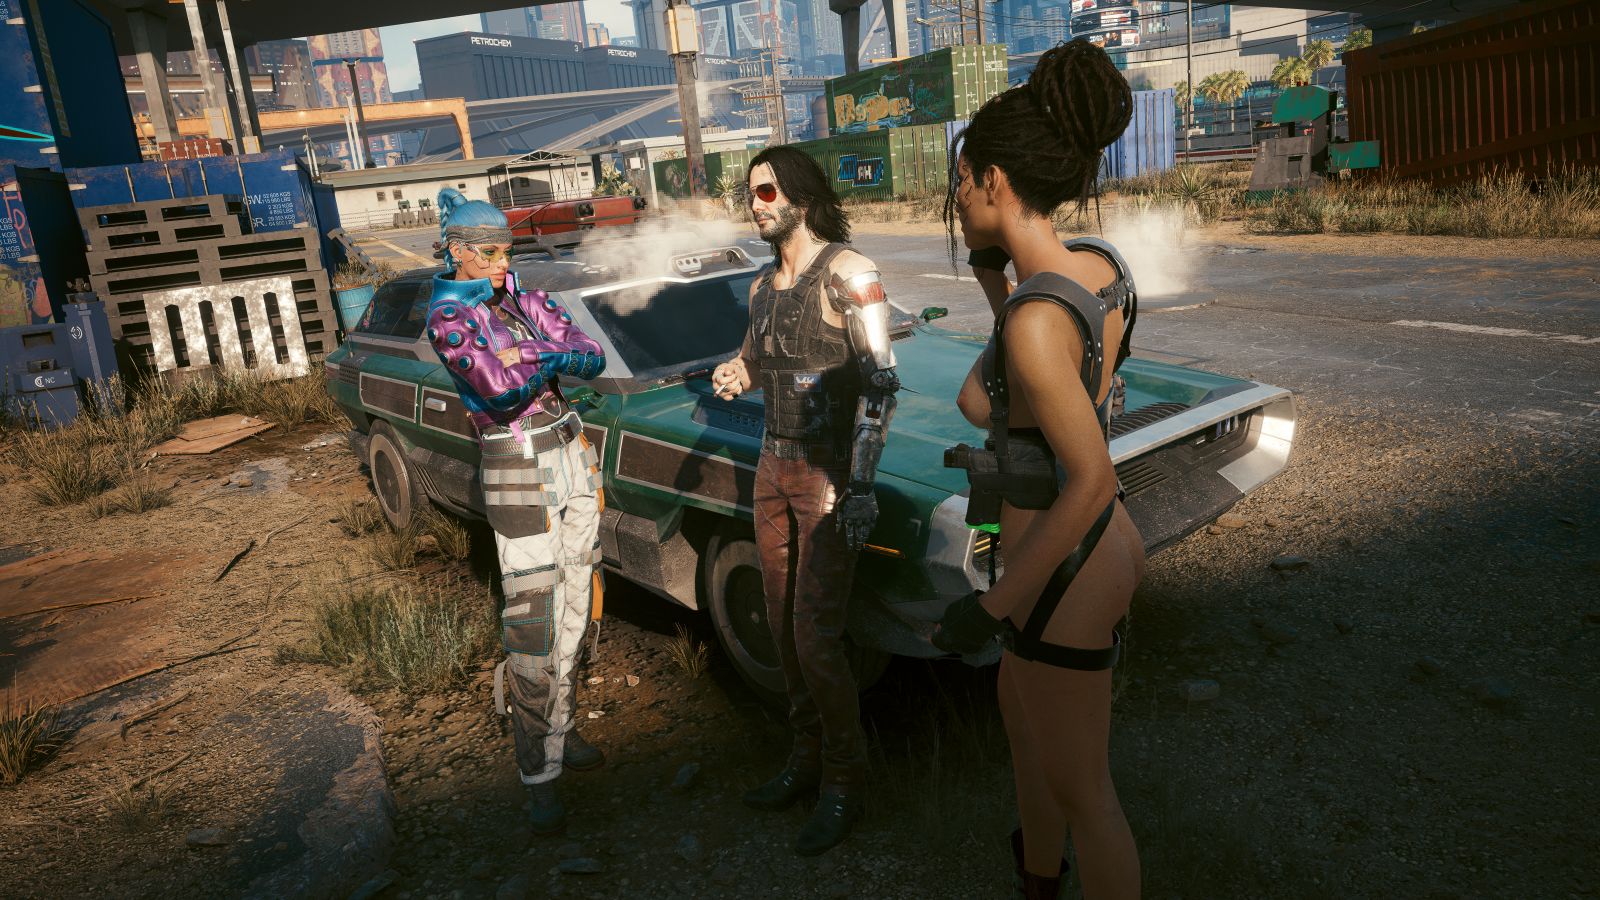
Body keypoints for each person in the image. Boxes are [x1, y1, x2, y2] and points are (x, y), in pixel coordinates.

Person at [931, 40, 1144, 900]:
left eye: (961, 180)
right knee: (1029, 742)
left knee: (1085, 792)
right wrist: (999, 282)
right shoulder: (1099, 267)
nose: (955, 197)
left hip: (1061, 562)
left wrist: (990, 607)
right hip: (1080, 552)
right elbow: (1029, 379)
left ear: (994, 181)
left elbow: (1085, 475)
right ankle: (1039, 880)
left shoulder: (1032, 317)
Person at [711, 146, 900, 856]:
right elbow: (759, 361)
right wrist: (737, 372)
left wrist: (862, 484)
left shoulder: (852, 273)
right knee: (782, 625)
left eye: (767, 191)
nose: (755, 203)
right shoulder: (762, 287)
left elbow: (880, 384)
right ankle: (806, 758)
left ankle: (845, 780)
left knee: (816, 637)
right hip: (773, 468)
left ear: (800, 195)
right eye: (750, 192)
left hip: (826, 475)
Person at [423, 188, 608, 836]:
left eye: (507, 249)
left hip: (571, 454)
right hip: (516, 466)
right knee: (534, 616)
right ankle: (539, 775)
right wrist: (550, 356)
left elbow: (592, 356)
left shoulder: (524, 298)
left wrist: (531, 353)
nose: (504, 262)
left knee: (579, 600)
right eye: (490, 252)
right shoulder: (449, 315)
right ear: (457, 251)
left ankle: (562, 729)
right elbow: (500, 392)